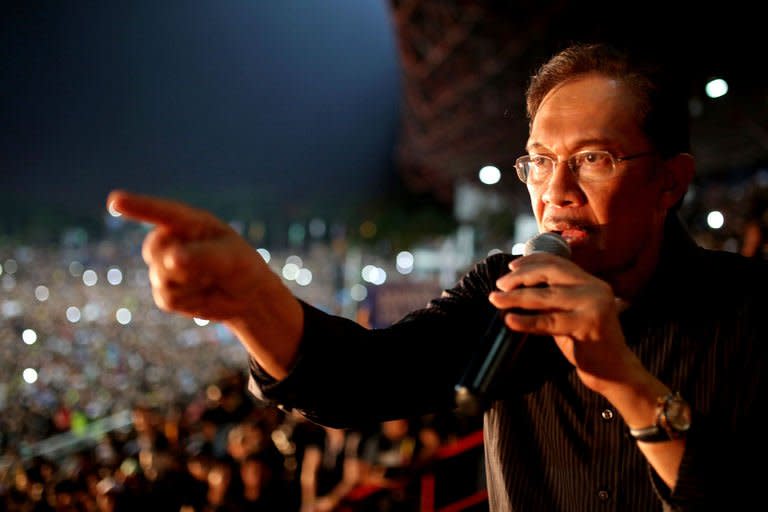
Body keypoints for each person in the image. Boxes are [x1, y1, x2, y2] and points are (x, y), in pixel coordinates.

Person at [106, 42, 768, 511]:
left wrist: (624, 381)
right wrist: (252, 301)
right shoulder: (503, 289)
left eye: (592, 159)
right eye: (539, 163)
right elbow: (364, 380)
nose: (556, 191)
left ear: (668, 183)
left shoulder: (748, 311)